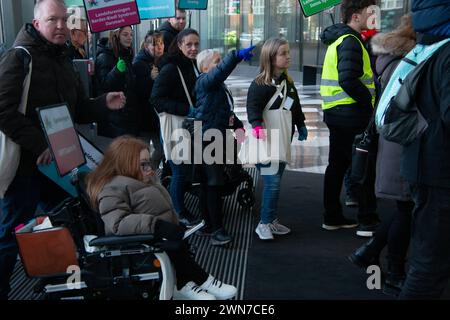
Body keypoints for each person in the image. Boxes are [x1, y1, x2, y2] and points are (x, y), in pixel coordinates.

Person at [0, 0, 125, 300]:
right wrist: (39, 144)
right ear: (36, 22)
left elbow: (77, 109)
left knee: (67, 220)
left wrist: (102, 103)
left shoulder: (63, 58)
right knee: (11, 231)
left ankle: (62, 280)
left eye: (64, 19)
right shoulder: (19, 58)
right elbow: (2, 110)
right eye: (52, 19)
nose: (60, 25)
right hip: (26, 164)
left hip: (59, 161)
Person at [86, 136, 237, 300]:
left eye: (148, 163)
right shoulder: (112, 188)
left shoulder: (138, 180)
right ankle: (202, 280)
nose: (150, 169)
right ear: (125, 164)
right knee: (176, 246)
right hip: (140, 241)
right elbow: (118, 223)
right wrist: (156, 225)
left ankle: (185, 282)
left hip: (157, 236)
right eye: (143, 164)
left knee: (179, 245)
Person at [348, 15, 416, 297]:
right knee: (406, 209)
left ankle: (371, 252)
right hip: (404, 143)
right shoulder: (410, 62)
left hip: (391, 141)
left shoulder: (390, 58)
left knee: (405, 208)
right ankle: (393, 271)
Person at [398, 0, 450, 300]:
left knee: (429, 261)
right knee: (429, 268)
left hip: (423, 164)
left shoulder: (428, 46)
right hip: (439, 172)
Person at [319, 0, 379, 237]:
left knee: (338, 165)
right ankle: (367, 220)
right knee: (363, 168)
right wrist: (367, 102)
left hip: (337, 113)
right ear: (356, 16)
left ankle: (332, 217)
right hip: (352, 113)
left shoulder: (340, 40)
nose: (374, 16)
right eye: (370, 11)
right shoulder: (351, 42)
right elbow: (348, 79)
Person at [246, 37, 307, 241]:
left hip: (281, 140)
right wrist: (256, 125)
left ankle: (271, 219)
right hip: (265, 142)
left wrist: (301, 124)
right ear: (270, 58)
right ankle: (263, 223)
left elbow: (294, 106)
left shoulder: (287, 83)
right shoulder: (260, 84)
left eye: (288, 52)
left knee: (276, 182)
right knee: (272, 183)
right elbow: (252, 107)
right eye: (283, 53)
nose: (288, 56)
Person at [192, 47, 254, 245]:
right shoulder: (204, 81)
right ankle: (216, 230)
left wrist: (237, 125)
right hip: (207, 139)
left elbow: (220, 110)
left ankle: (209, 225)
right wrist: (234, 56)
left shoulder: (216, 87)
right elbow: (219, 73)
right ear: (204, 67)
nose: (219, 64)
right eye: (216, 61)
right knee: (213, 184)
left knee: (209, 184)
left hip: (213, 136)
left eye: (220, 60)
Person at [151, 28, 202, 227]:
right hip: (175, 126)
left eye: (196, 44)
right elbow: (155, 99)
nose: (193, 48)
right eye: (188, 44)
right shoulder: (171, 68)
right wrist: (186, 109)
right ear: (179, 45)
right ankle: (178, 212)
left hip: (186, 126)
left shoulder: (191, 64)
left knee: (184, 170)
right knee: (179, 172)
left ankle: (179, 208)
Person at [95, 26, 141, 138]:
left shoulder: (125, 54)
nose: (129, 37)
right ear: (116, 36)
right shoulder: (104, 56)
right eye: (125, 34)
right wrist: (117, 71)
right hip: (114, 117)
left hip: (126, 114)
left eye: (131, 34)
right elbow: (104, 85)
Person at [133, 30, 167, 174]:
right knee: (144, 152)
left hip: (155, 117)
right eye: (154, 44)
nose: (159, 47)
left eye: (161, 43)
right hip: (145, 117)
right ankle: (143, 178)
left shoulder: (159, 61)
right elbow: (138, 92)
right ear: (146, 46)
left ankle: (149, 174)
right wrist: (150, 79)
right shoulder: (140, 63)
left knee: (161, 150)